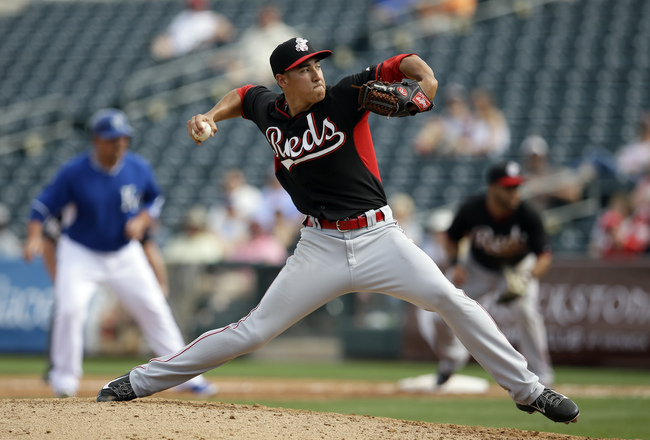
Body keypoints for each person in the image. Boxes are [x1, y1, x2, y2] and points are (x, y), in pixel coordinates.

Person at [96, 38, 579, 424]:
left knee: (453, 301)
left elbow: (402, 64)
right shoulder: (270, 108)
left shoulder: (346, 96)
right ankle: (137, 382)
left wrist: (426, 81)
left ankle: (529, 390)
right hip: (320, 246)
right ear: (284, 79)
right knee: (252, 331)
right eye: (305, 68)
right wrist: (209, 115)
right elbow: (243, 96)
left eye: (318, 64)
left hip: (380, 238)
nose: (316, 73)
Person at [22, 108, 216, 398]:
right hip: (80, 252)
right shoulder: (74, 172)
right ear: (97, 140)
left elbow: (155, 200)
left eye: (124, 138)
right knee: (69, 309)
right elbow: (41, 206)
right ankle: (64, 380)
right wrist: (34, 237)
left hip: (125, 254)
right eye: (113, 138)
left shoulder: (137, 167)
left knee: (154, 309)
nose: (120, 143)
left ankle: (188, 377)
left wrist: (142, 219)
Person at [420, 161, 555, 390]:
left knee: (527, 312)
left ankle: (542, 374)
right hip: (478, 268)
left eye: (517, 186)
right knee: (440, 314)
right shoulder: (473, 208)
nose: (515, 192)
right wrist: (456, 264)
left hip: (516, 268)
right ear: (492, 188)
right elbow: (452, 238)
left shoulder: (528, 213)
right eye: (508, 187)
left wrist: (527, 277)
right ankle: (452, 359)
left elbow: (544, 256)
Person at [150, 0, 236, 61]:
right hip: (178, 54)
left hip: (200, 55)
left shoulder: (209, 17)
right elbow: (168, 35)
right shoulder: (183, 16)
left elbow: (226, 33)